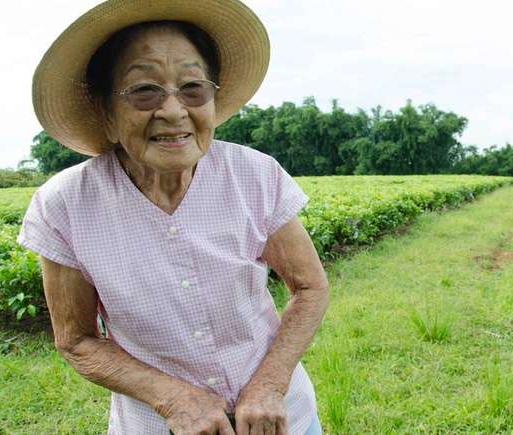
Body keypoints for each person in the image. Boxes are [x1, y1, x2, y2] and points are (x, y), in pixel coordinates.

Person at [17, 1, 328, 434]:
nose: (173, 110)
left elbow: (310, 287)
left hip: (282, 416)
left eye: (192, 88)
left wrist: (269, 385)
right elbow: (77, 340)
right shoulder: (64, 207)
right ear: (106, 112)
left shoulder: (255, 175)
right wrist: (177, 400)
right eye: (144, 90)